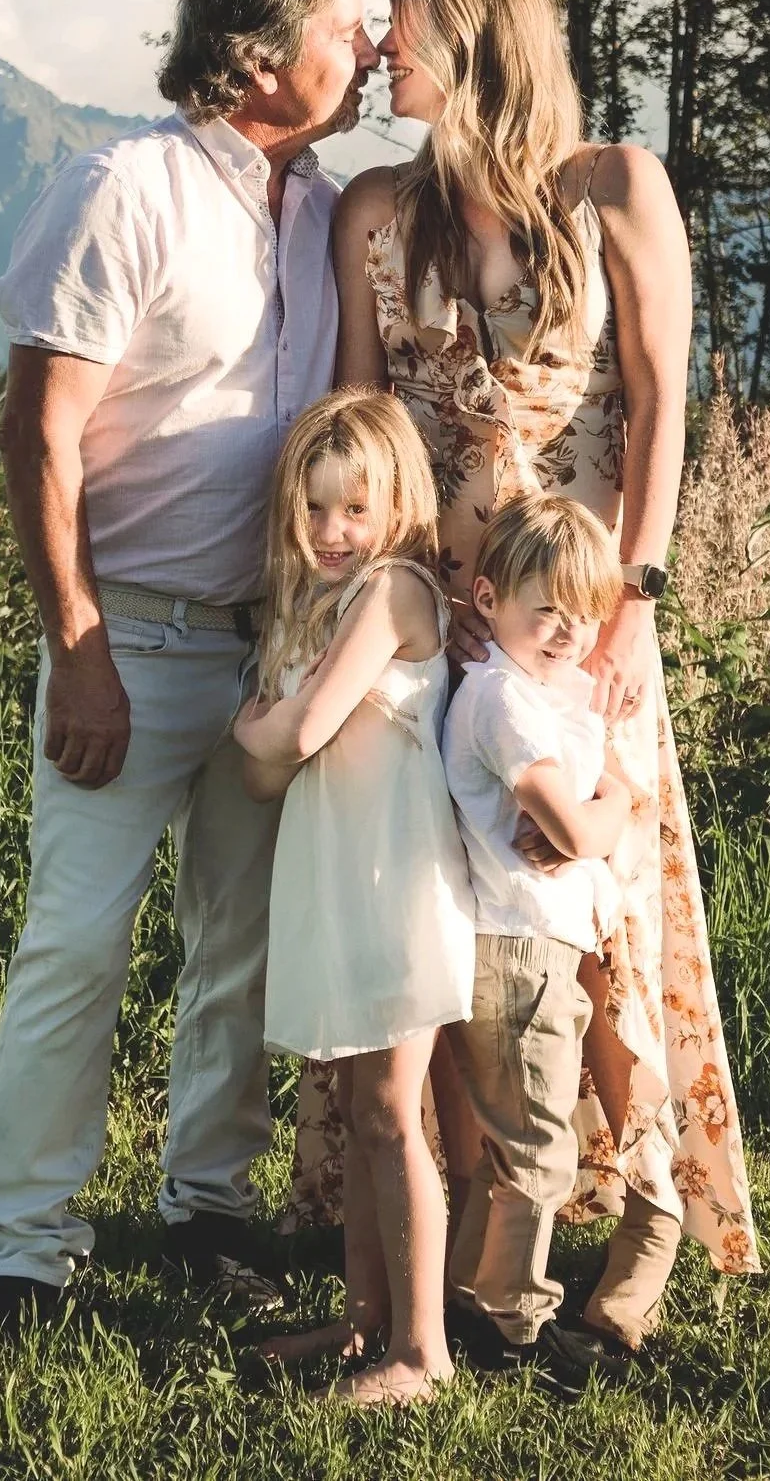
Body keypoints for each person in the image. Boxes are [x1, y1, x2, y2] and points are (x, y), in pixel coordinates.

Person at [289, 0, 762, 1351]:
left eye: (407, 30)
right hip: (445, 631)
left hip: (585, 619)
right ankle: (452, 1253)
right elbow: (362, 421)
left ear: (483, 41)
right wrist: (348, 618)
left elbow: (667, 404)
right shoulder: (378, 208)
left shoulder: (616, 186)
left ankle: (654, 1207)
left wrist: (640, 606)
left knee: (599, 919)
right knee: (449, 938)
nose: (382, 51)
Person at [0, 0, 378, 1370]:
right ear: (259, 52)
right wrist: (81, 649)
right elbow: (39, 432)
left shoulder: (327, 212)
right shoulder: (120, 188)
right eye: (346, 22)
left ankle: (209, 1210)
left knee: (235, 948)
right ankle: (23, 1245)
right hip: (127, 635)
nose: (368, 43)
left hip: (268, 648)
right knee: (76, 942)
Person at [229, 388, 475, 1407]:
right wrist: (267, 742)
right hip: (341, 872)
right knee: (363, 1104)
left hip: (395, 881)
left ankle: (422, 1350)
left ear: (394, 508)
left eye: (355, 509)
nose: (333, 532)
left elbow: (293, 735)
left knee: (388, 1110)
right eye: (316, 509)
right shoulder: (322, 602)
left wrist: (260, 728)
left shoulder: (394, 592)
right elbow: (264, 774)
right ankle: (366, 1318)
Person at [440, 493, 639, 1388]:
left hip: (531, 948)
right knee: (537, 1148)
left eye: (584, 612)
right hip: (518, 951)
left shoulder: (531, 693)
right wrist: (607, 815)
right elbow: (565, 824)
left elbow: (591, 809)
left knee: (514, 1140)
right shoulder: (502, 700)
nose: (566, 631)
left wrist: (611, 809)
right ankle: (515, 1325)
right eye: (543, 608)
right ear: (487, 599)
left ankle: (472, 1296)